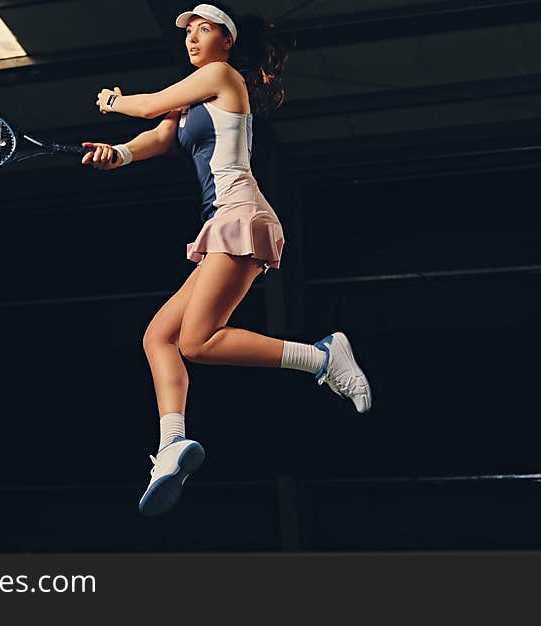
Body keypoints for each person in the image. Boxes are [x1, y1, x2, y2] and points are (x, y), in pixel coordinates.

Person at [81, 3, 372, 517]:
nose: (192, 37)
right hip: (221, 223)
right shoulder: (193, 95)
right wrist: (118, 154)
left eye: (204, 29)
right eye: (188, 31)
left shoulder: (221, 76)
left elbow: (147, 108)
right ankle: (172, 443)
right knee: (158, 337)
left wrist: (114, 100)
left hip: (241, 215)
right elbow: (158, 135)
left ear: (227, 40)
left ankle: (323, 357)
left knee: (195, 340)